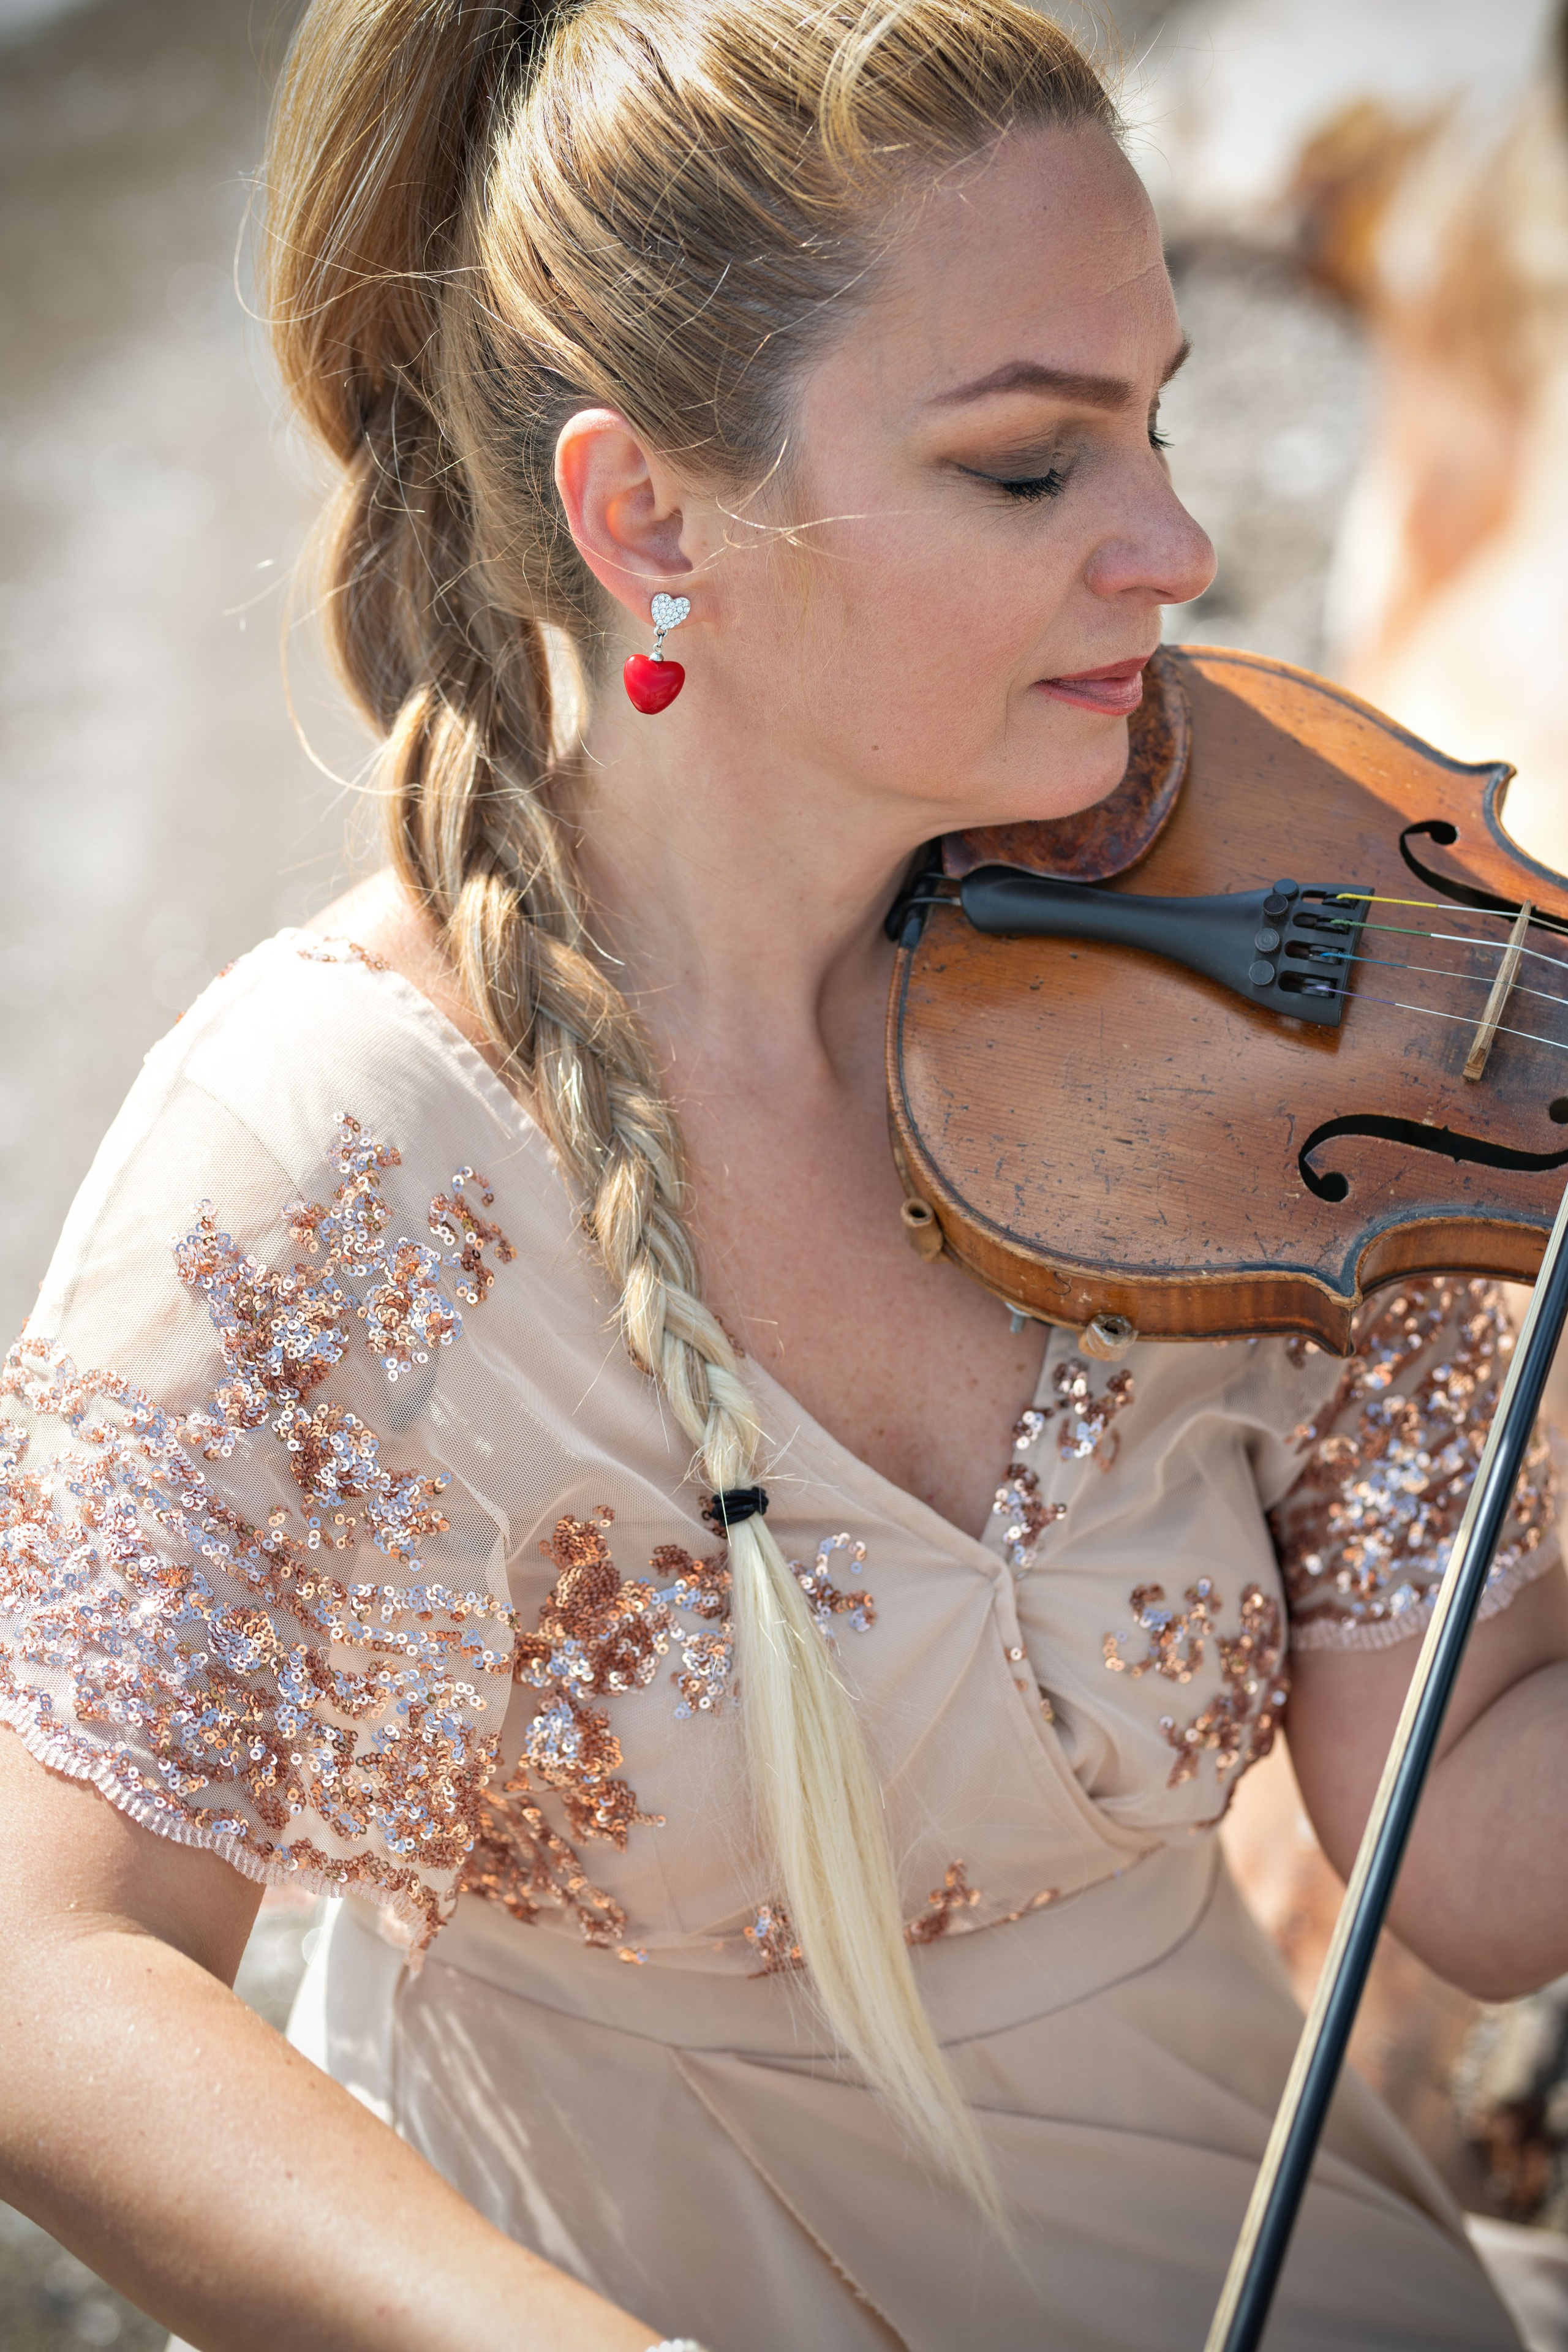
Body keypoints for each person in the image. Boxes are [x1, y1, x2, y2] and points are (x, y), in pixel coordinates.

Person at [2, 4, 1566, 2346]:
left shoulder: (1277, 1048)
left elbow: (1472, 1851)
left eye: (1161, 422)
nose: (1182, 545)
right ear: (647, 518)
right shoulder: (323, 1149)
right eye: (1034, 471)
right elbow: (47, 1969)